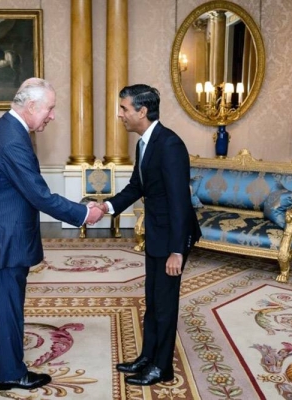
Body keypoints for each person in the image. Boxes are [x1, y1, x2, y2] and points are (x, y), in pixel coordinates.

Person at [0, 78, 104, 391]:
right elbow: (40, 196)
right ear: (31, 107)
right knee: (8, 304)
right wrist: (84, 213)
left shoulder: (2, 128)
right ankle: (11, 373)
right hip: (5, 239)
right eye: (50, 108)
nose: (52, 115)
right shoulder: (13, 140)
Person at [99, 84, 201, 386]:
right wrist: (106, 206)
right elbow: (136, 186)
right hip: (157, 234)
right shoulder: (145, 142)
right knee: (154, 300)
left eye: (124, 109)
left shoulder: (169, 144)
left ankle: (162, 368)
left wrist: (178, 251)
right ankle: (148, 357)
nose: (120, 115)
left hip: (171, 239)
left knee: (165, 304)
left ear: (142, 111)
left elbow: (179, 202)